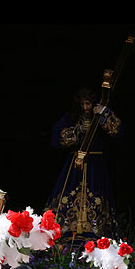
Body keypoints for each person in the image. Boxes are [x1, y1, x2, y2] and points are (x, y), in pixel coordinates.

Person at [45, 87, 122, 242]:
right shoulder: (71, 118)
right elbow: (56, 137)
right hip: (75, 165)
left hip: (96, 165)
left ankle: (96, 236)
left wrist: (105, 113)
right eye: (83, 104)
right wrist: (78, 130)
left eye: (88, 103)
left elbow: (117, 131)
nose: (86, 107)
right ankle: (65, 236)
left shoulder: (100, 116)